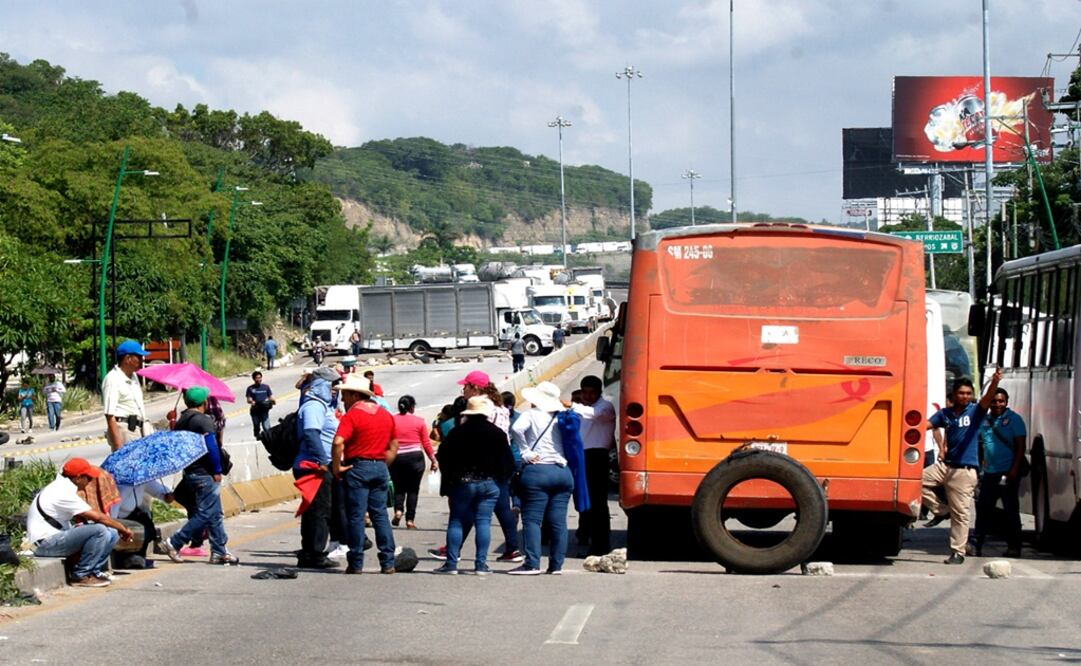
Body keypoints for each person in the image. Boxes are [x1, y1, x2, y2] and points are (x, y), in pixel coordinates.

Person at [922, 370, 1003, 565]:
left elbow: (987, 398)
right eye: (961, 393)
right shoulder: (945, 414)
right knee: (914, 480)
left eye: (968, 393)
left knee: (961, 514)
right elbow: (925, 425)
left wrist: (994, 382)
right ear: (954, 395)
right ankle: (941, 510)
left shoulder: (976, 411)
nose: (965, 396)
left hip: (964, 471)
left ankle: (958, 552)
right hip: (945, 466)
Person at [432, 396, 516, 575]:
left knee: (456, 521)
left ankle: (451, 564)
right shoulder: (497, 433)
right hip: (489, 483)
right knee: (483, 522)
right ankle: (481, 565)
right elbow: (508, 463)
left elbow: (444, 457)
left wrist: (449, 480)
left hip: (463, 483)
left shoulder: (457, 433)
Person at [162, 386, 239, 565]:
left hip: (190, 472)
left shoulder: (182, 421)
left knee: (215, 514)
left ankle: (219, 551)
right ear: (204, 402)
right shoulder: (203, 421)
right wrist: (217, 470)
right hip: (205, 474)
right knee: (205, 513)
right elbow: (212, 448)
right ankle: (174, 542)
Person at [27, 458, 134, 587]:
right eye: (88, 478)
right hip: (45, 544)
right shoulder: (62, 491)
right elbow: (98, 517)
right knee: (99, 530)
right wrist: (123, 529)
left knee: (112, 532)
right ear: (77, 478)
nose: (90, 481)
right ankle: (81, 575)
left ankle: (94, 571)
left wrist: (118, 529)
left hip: (54, 537)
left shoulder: (64, 487)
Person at [331, 374, 398, 574]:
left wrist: (337, 467)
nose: (342, 399)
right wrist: (381, 463)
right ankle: (387, 562)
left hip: (357, 467)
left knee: (356, 516)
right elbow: (394, 444)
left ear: (354, 395)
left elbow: (337, 442)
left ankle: (356, 562)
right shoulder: (385, 415)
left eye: (345, 395)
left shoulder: (352, 415)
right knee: (380, 516)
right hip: (380, 467)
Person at [509, 381, 574, 575]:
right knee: (558, 522)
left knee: (532, 519)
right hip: (562, 471)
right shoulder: (562, 416)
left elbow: (516, 429)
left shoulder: (531, 414)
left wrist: (525, 451)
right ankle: (556, 565)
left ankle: (532, 563)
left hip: (538, 471)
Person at [293, 368, 341, 569]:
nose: (334, 391)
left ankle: (309, 551)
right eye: (331, 386)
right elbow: (312, 434)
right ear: (321, 385)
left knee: (314, 510)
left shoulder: (323, 406)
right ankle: (315, 553)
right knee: (320, 511)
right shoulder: (313, 406)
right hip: (314, 466)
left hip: (318, 464)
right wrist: (322, 461)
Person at [972, 387, 1027, 558]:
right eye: (994, 401)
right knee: (983, 509)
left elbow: (1020, 447)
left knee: (1011, 510)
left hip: (1008, 473)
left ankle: (1014, 547)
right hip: (989, 473)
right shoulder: (984, 421)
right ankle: (976, 545)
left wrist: (1014, 470)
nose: (997, 404)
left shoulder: (1014, 420)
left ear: (1006, 402)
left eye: (1001, 401)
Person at [571, 375, 616, 556]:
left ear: (599, 393)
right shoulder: (583, 409)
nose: (588, 396)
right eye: (585, 392)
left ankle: (600, 544)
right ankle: (585, 535)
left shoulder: (604, 407)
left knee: (598, 504)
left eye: (592, 393)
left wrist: (571, 405)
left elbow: (594, 415)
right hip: (583, 457)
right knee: (585, 500)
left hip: (597, 457)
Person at [391, 395, 437, 529]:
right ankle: (410, 520)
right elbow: (426, 443)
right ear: (412, 407)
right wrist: (433, 460)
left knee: (398, 487)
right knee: (413, 490)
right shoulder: (419, 421)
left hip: (397, 457)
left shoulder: (392, 420)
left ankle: (398, 511)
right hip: (415, 457)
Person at [111, 479, 174, 569]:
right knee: (139, 528)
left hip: (133, 513)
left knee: (146, 517)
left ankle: (139, 555)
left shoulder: (141, 479)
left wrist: (167, 495)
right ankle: (127, 559)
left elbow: (158, 490)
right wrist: (114, 524)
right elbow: (114, 506)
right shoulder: (123, 486)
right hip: (119, 517)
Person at [102, 340, 150, 451]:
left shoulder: (134, 377)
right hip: (124, 429)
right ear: (128, 359)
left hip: (138, 428)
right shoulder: (113, 379)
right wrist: (118, 446)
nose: (142, 360)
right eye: (138, 357)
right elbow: (110, 415)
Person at [246, 371, 275, 440]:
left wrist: (273, 401)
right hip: (255, 411)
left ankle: (269, 439)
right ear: (254, 379)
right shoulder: (250, 388)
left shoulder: (266, 387)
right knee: (256, 425)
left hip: (264, 410)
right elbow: (248, 399)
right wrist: (251, 401)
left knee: (267, 427)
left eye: (260, 377)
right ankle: (257, 435)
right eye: (257, 378)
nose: (258, 379)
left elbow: (270, 396)